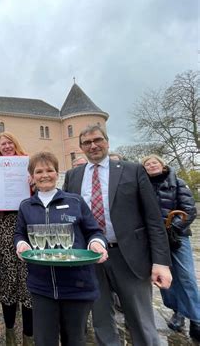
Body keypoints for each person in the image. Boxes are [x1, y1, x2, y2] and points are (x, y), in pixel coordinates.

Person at [63, 124, 172, 346]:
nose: (93, 145)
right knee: (101, 320)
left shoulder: (132, 170)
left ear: (107, 141)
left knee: (141, 321)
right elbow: (67, 216)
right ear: (81, 147)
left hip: (129, 256)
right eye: (87, 142)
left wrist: (161, 262)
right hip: (90, 258)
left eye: (97, 140)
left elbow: (153, 218)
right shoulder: (73, 176)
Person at [15, 151, 108, 345]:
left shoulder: (75, 201)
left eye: (49, 170)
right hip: (41, 285)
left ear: (57, 173)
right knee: (44, 340)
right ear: (32, 176)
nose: (45, 175)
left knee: (74, 339)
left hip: (77, 284)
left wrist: (97, 244)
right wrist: (21, 244)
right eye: (39, 171)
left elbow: (94, 231)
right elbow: (19, 234)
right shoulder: (26, 206)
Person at [141, 154, 199, 342]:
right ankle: (177, 311)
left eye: (154, 162)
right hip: (156, 238)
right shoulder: (143, 184)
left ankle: (197, 318)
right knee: (165, 278)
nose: (151, 165)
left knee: (186, 277)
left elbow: (189, 210)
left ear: (162, 164)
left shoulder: (177, 182)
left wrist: (171, 228)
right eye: (147, 164)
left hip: (176, 237)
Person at [0, 131, 33, 345]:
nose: (6, 146)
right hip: (5, 226)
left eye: (9, 142)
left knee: (27, 274)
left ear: (15, 143)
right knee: (7, 273)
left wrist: (32, 183)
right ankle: (10, 330)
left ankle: (29, 334)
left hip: (28, 224)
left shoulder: (28, 165)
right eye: (2, 144)